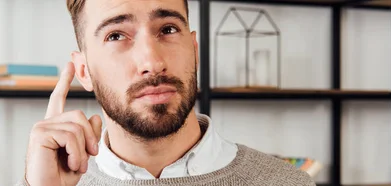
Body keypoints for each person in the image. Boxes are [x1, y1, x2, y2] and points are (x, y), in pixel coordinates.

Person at [17, 0, 316, 185]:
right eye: (116, 35)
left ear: (194, 50)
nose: (152, 62)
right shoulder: (51, 183)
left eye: (169, 29)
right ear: (84, 72)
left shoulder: (287, 183)